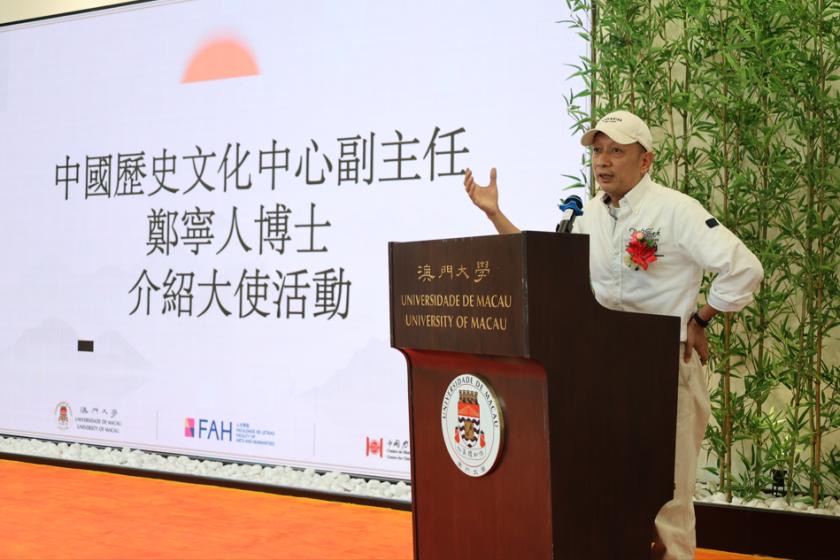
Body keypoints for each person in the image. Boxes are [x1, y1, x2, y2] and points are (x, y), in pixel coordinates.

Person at [463, 110, 764, 560]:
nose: (603, 161)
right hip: (603, 371)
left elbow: (744, 269)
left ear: (645, 161)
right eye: (597, 151)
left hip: (665, 369)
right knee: (609, 488)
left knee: (669, 495)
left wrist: (700, 319)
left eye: (617, 151)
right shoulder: (587, 215)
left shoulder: (676, 210)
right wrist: (495, 214)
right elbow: (543, 264)